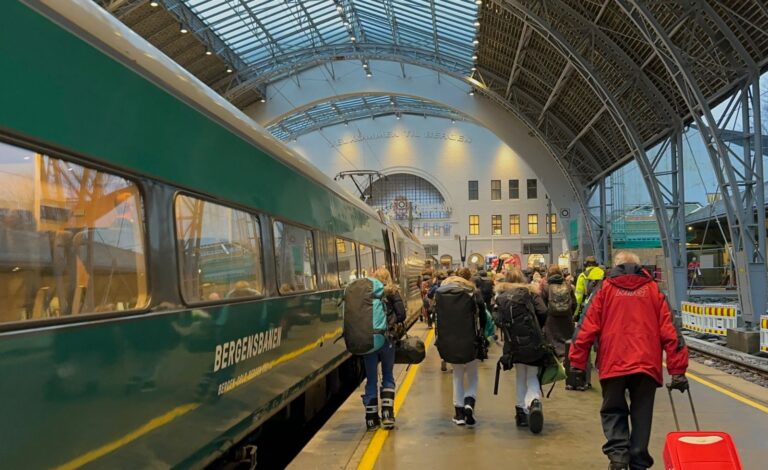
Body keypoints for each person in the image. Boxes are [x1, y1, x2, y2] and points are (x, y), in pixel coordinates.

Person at [569, 251, 689, 470]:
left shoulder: (603, 290)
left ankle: (618, 458)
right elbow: (671, 332)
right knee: (642, 413)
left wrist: (577, 364)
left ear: (615, 266)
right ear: (639, 266)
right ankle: (638, 460)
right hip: (647, 365)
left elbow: (585, 328)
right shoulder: (654, 291)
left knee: (613, 410)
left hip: (612, 362)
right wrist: (677, 370)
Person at [495, 269, 549, 434]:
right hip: (533, 342)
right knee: (532, 375)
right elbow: (544, 312)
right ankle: (534, 402)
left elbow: (497, 319)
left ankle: (521, 414)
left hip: (514, 344)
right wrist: (536, 326)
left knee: (520, 376)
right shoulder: (531, 293)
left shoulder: (501, 297)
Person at [435, 267, 487, 427]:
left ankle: (458, 415)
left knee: (457, 375)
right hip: (470, 338)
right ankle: (469, 402)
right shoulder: (472, 291)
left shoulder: (442, 292)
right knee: (472, 373)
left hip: (450, 339)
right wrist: (482, 332)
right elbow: (483, 314)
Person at [362, 268, 406, 431]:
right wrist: (389, 321)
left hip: (369, 341)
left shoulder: (367, 293)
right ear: (388, 278)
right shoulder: (392, 292)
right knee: (387, 375)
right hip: (387, 340)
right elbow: (401, 314)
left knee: (371, 379)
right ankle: (388, 415)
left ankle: (371, 419)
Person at [541, 264, 577, 358]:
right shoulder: (568, 286)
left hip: (551, 323)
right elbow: (574, 304)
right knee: (568, 349)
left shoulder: (545, 287)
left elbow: (543, 308)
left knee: (554, 351)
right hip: (567, 321)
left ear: (548, 274)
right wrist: (569, 313)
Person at [574, 256, 605, 321]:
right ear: (596, 264)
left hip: (588, 306)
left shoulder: (582, 276)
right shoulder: (603, 273)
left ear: (585, 264)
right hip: (603, 306)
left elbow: (578, 297)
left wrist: (576, 314)